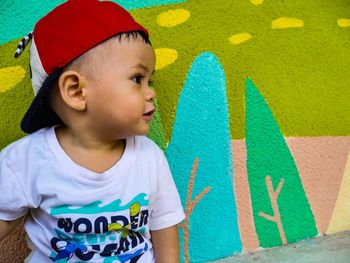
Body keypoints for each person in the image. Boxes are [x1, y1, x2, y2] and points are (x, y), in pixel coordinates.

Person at [0, 0, 185, 262]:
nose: (151, 92)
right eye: (137, 79)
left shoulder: (149, 158)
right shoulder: (28, 161)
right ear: (76, 91)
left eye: (149, 80)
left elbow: (164, 227)